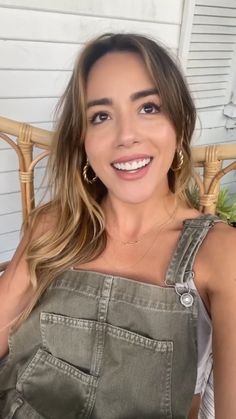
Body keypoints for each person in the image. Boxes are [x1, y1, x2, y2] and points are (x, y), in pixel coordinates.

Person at [0, 33, 235, 419]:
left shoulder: (222, 254)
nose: (126, 136)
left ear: (178, 124)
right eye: (101, 116)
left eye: (149, 108)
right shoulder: (53, 226)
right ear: (85, 141)